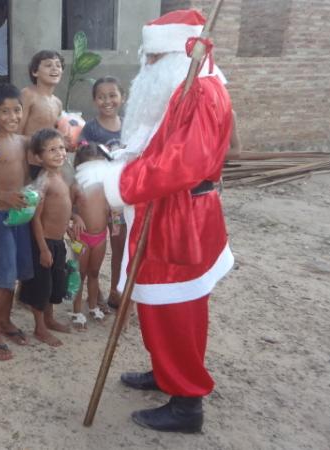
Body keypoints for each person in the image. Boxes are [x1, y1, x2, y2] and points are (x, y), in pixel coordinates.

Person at [76, 9, 236, 433]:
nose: (143, 68)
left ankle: (186, 402)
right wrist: (132, 158)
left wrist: (120, 182)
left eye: (151, 59)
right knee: (154, 304)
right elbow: (162, 141)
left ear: (172, 56)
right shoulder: (178, 87)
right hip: (160, 209)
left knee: (176, 309)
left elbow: (185, 163)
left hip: (179, 217)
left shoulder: (201, 91)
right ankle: (166, 372)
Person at [0, 83, 34, 360]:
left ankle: (5, 320)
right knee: (2, 277)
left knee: (13, 273)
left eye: (17, 110)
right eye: (4, 112)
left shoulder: (22, 141)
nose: (12, 116)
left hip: (19, 217)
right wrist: (3, 195)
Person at [19, 128, 72, 346]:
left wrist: (73, 221)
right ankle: (40, 327)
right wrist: (43, 248)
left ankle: (49, 319)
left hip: (58, 241)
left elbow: (63, 207)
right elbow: (36, 218)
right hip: (44, 242)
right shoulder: (43, 181)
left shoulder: (61, 175)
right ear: (39, 157)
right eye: (52, 150)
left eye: (61, 147)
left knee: (54, 284)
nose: (59, 153)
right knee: (40, 287)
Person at [80, 76, 127, 310]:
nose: (107, 100)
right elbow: (81, 165)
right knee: (93, 244)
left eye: (112, 95)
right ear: (94, 100)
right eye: (101, 96)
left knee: (119, 244)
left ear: (122, 98)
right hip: (96, 202)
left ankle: (116, 290)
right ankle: (93, 290)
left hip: (120, 202)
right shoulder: (90, 129)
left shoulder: (130, 126)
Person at [68, 142, 110, 329]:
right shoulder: (76, 186)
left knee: (94, 273)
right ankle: (76, 311)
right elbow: (66, 208)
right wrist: (75, 216)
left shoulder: (106, 185)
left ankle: (92, 306)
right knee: (80, 274)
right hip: (81, 237)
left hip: (101, 236)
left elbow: (108, 208)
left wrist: (113, 220)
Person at [18, 50, 64, 179]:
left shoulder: (57, 102)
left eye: (58, 65)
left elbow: (55, 133)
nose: (55, 68)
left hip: (50, 163)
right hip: (30, 162)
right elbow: (16, 134)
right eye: (48, 65)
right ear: (35, 72)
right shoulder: (28, 95)